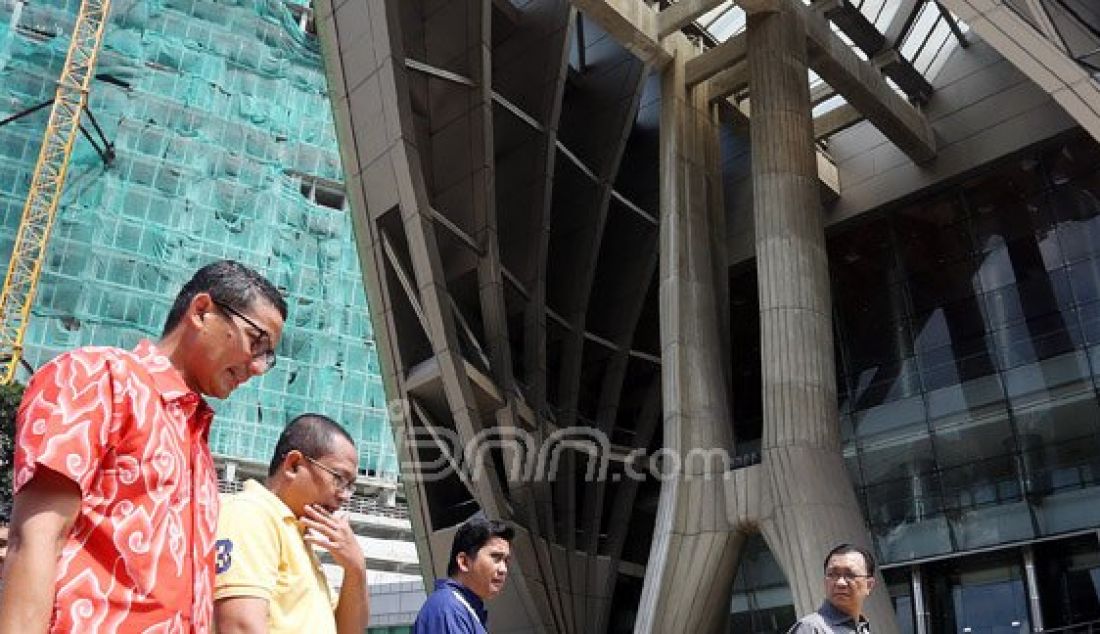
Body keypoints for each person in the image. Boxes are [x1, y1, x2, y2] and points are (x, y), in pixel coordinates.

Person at [0, 259, 287, 634]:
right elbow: (35, 538)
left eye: (268, 356)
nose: (257, 367)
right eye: (256, 342)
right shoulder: (98, 378)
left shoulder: (197, 443)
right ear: (201, 312)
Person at [212, 414, 369, 634]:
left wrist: (356, 570)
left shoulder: (298, 535)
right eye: (339, 479)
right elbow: (240, 625)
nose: (345, 496)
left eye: (350, 485)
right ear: (293, 465)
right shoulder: (250, 513)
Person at [412, 517, 513, 634]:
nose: (503, 569)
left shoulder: (462, 609)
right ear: (464, 562)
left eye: (506, 561)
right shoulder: (448, 609)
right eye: (496, 557)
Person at [788, 543, 877, 634]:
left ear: (869, 585)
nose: (840, 583)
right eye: (832, 575)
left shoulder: (863, 629)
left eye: (850, 575)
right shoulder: (810, 628)